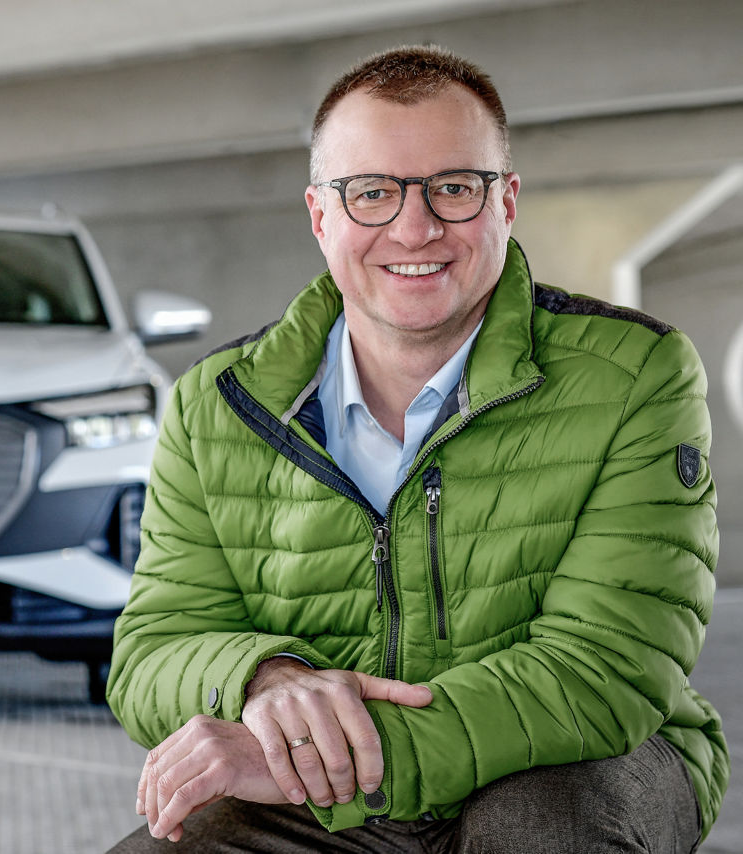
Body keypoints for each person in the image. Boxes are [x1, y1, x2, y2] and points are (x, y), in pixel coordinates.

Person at [105, 45, 728, 853]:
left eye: (453, 188)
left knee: (539, 830)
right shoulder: (217, 404)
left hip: (584, 761)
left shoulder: (636, 374)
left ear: (505, 202)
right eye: (371, 193)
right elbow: (156, 647)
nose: (414, 225)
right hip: (317, 782)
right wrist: (267, 678)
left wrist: (354, 754)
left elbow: (604, 670)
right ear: (320, 214)